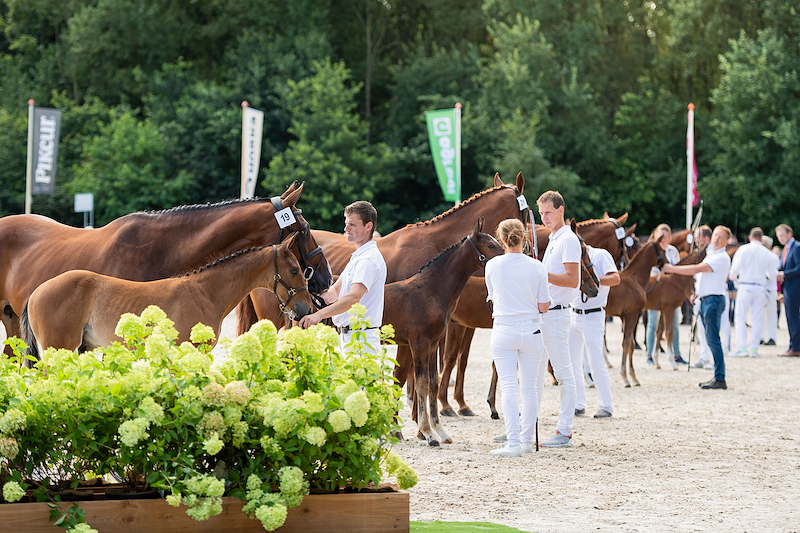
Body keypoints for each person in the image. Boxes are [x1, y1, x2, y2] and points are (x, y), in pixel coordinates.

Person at [485, 219, 550, 457]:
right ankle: (525, 442)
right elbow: (544, 306)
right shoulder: (538, 266)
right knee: (530, 389)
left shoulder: (492, 265)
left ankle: (513, 442)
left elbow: (493, 299)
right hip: (531, 330)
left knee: (509, 388)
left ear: (501, 240)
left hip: (504, 329)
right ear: (524, 238)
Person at [298, 201, 387, 354]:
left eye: (352, 225)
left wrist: (319, 315)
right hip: (350, 337)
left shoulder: (368, 259)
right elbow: (334, 292)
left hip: (361, 340)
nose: (346, 229)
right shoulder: (358, 257)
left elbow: (353, 297)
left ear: (368, 227)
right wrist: (308, 301)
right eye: (346, 224)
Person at [535, 190, 580, 447]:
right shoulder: (554, 238)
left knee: (563, 373)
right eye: (541, 213)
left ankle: (564, 431)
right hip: (544, 314)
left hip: (557, 314)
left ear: (561, 210)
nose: (544, 218)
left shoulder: (568, 239)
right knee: (535, 374)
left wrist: (541, 273)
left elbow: (573, 280)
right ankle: (527, 428)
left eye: (548, 213)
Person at [664, 226, 732, 389]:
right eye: (715, 236)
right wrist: (698, 293)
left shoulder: (721, 257)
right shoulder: (712, 254)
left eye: (720, 237)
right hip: (706, 299)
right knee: (710, 338)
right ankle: (718, 375)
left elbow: (697, 269)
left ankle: (720, 377)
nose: (716, 239)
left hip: (713, 301)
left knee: (713, 339)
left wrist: (672, 269)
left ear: (726, 242)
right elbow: (704, 276)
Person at [568, 245, 620, 419]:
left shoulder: (601, 255)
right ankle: (578, 404)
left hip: (593, 314)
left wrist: (593, 279)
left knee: (596, 361)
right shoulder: (570, 256)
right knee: (573, 362)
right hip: (573, 313)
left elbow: (615, 278)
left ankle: (606, 405)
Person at [729, 228, 776, 358]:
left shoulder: (743, 249)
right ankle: (754, 348)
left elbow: (733, 272)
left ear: (750, 238)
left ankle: (742, 347)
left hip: (745, 285)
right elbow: (772, 274)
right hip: (760, 287)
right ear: (761, 239)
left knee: (740, 317)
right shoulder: (767, 253)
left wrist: (736, 280)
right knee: (757, 318)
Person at [645, 224, 685, 365]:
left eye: (666, 236)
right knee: (653, 322)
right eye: (661, 236)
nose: (663, 239)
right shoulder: (651, 249)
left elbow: (677, 270)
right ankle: (650, 353)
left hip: (670, 290)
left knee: (674, 322)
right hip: (655, 288)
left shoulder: (673, 251)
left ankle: (676, 353)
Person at [689, 226, 715, 370]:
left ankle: (711, 359)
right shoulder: (704, 253)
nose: (696, 241)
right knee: (701, 329)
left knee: (710, 330)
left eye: (697, 238)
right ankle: (704, 357)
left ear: (706, 238)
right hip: (700, 295)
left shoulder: (712, 253)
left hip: (710, 297)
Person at [776, 224, 800, 357]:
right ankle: (794, 346)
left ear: (790, 234)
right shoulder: (786, 249)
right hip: (788, 288)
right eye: (778, 236)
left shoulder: (796, 247)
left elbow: (799, 268)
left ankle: (795, 347)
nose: (780, 238)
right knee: (791, 319)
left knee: (793, 318)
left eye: (782, 235)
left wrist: (784, 274)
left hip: (794, 289)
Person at [761, 235, 779, 346]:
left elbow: (772, 273)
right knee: (760, 314)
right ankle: (761, 336)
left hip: (770, 288)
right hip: (760, 288)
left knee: (771, 314)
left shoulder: (773, 257)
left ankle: (772, 336)